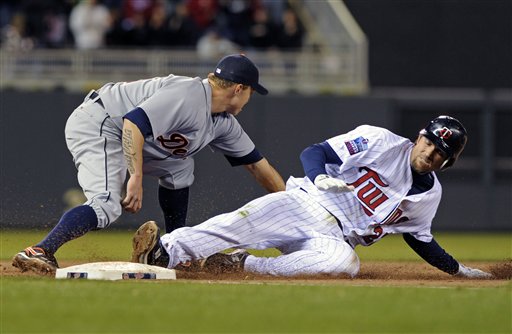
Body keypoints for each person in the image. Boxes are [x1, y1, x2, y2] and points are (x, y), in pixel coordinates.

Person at [12, 54, 285, 275]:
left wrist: (291, 204)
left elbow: (258, 166)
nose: (250, 100)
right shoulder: (189, 94)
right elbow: (133, 123)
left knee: (179, 169)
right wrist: (135, 175)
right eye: (251, 92)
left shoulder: (223, 123)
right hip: (103, 123)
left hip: (133, 135)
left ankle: (171, 251)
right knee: (107, 203)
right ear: (239, 89)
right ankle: (40, 250)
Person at [131, 116, 492, 279]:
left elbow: (421, 240)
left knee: (344, 265)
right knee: (239, 222)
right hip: (307, 202)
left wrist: (458, 270)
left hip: (333, 238)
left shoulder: (429, 194)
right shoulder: (380, 141)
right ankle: (165, 251)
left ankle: (242, 265)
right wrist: (320, 176)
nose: (429, 152)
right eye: (429, 141)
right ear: (420, 136)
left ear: (447, 162)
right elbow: (315, 151)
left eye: (440, 151)